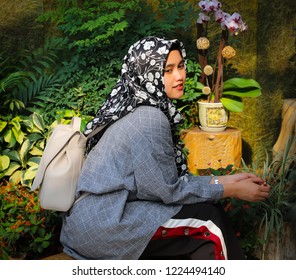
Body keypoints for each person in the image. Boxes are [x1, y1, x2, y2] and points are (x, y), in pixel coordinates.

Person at [60, 36, 270, 260]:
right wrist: (231, 190)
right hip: (105, 225)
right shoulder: (149, 119)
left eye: (180, 66)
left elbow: (166, 183)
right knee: (209, 223)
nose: (179, 76)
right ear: (146, 74)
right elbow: (167, 191)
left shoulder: (137, 107)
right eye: (167, 70)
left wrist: (228, 180)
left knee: (204, 221)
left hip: (98, 219)